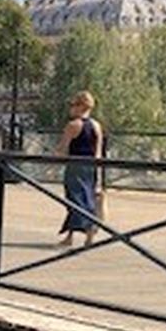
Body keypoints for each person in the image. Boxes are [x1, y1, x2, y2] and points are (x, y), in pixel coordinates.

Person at [56, 90, 105, 247]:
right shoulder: (97, 126)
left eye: (73, 105)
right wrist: (98, 174)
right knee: (87, 200)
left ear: (79, 106)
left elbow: (62, 149)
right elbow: (98, 152)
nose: (71, 108)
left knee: (74, 200)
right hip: (90, 167)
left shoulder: (72, 126)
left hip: (74, 167)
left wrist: (54, 158)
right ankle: (83, 235)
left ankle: (74, 235)